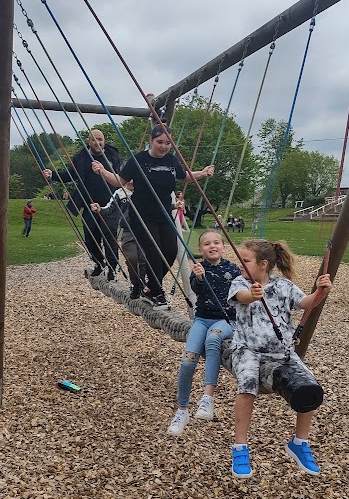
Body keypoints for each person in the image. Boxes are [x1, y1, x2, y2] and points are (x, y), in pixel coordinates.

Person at [227, 239, 332, 479]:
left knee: (310, 385)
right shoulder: (240, 283)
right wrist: (253, 295)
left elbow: (306, 304)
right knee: (247, 384)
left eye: (245, 260)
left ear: (263, 264)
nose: (239, 263)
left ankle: (299, 443)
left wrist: (320, 292)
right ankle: (240, 447)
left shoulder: (284, 285)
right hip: (248, 350)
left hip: (281, 351)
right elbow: (242, 297)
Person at [92, 125, 214, 310]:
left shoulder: (172, 160)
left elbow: (184, 177)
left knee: (170, 251)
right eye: (160, 142)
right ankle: (156, 292)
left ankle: (149, 286)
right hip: (142, 215)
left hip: (164, 214)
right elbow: (119, 181)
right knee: (154, 251)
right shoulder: (138, 159)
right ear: (151, 141)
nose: (164, 146)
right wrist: (102, 171)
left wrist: (202, 173)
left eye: (168, 143)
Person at [167, 229, 241, 436]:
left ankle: (208, 398)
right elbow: (196, 290)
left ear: (223, 247)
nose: (212, 246)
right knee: (187, 361)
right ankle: (182, 411)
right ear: (201, 249)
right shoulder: (199, 268)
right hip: (201, 319)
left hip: (226, 320)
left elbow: (242, 292)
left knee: (214, 338)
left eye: (216, 242)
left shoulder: (233, 269)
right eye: (207, 244)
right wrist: (199, 278)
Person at [43, 130, 121, 280]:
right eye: (94, 139)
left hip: (110, 204)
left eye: (100, 139)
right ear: (88, 141)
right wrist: (53, 175)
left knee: (109, 236)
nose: (98, 143)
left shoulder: (112, 155)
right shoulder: (81, 158)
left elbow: (121, 176)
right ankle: (99, 263)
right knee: (90, 238)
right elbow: (71, 175)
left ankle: (112, 268)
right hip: (89, 204)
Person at [91, 184, 147, 299]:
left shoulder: (144, 189)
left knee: (143, 260)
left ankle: (142, 285)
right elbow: (110, 209)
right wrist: (99, 209)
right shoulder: (120, 193)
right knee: (132, 258)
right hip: (128, 230)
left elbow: (159, 205)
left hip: (145, 230)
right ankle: (135, 283)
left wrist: (173, 206)